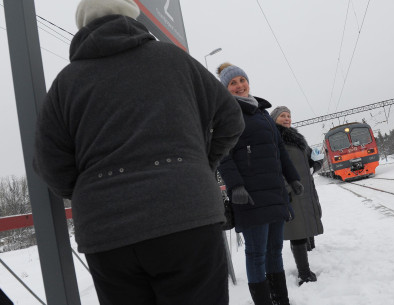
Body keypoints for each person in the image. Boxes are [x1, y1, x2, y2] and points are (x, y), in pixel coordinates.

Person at [32, 1, 245, 304]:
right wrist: (201, 165)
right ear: (131, 15)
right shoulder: (175, 59)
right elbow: (231, 119)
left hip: (107, 232)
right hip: (187, 212)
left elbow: (48, 162)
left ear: (83, 25)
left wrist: (90, 191)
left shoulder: (65, 84)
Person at [217, 63, 303, 305]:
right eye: (233, 83)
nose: (239, 85)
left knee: (275, 251)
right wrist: (236, 186)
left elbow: (279, 150)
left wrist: (293, 177)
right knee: (256, 254)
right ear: (226, 88)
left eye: (241, 80)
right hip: (250, 196)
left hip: (274, 192)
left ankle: (281, 300)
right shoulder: (225, 113)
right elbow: (223, 153)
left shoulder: (263, 114)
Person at [270, 106, 324, 286]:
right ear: (274, 118)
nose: (286, 119)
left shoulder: (298, 140)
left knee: (303, 229)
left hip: (305, 191)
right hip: (291, 193)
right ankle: (304, 274)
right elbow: (273, 168)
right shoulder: (273, 139)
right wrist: (286, 188)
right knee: (297, 233)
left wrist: (316, 163)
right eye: (282, 116)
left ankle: (305, 267)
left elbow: (311, 162)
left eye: (289, 116)